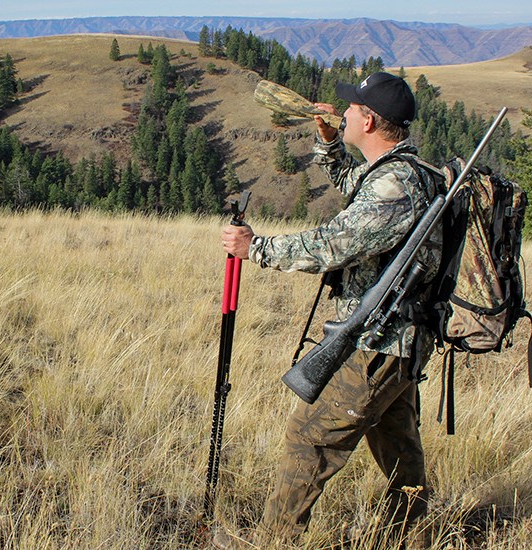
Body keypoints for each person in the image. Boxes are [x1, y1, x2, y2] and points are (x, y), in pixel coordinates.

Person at [217, 72, 441, 548]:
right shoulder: (398, 172)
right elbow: (351, 184)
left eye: (351, 110)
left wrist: (255, 249)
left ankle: (276, 540)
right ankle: (415, 535)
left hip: (376, 343)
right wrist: (328, 144)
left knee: (308, 440)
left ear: (370, 120)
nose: (344, 114)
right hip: (395, 341)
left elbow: (332, 245)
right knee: (398, 447)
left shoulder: (395, 186)